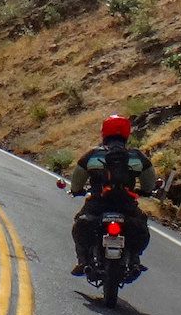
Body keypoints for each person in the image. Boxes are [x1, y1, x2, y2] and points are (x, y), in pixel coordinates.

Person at [68, 114, 158, 278]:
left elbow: (77, 180)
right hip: (126, 206)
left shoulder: (93, 155)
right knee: (140, 225)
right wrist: (145, 191)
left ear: (104, 132)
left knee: (80, 222)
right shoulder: (137, 157)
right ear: (126, 133)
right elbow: (149, 182)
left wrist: (76, 190)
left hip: (98, 204)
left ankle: (82, 260)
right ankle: (135, 259)